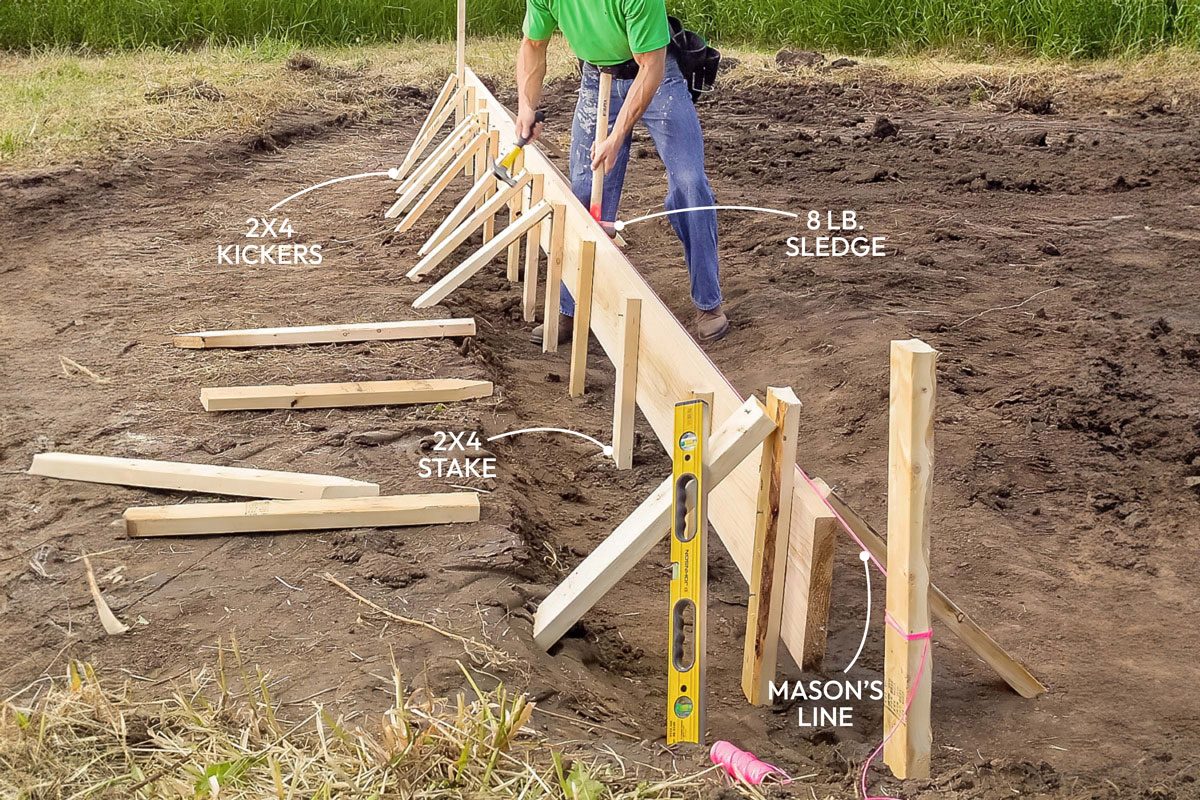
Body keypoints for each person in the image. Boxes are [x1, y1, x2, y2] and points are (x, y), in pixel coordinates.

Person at [516, 0, 729, 344]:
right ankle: (571, 308)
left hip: (657, 77)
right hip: (597, 77)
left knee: (690, 184)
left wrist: (615, 138)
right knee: (585, 192)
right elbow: (533, 44)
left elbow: (651, 65)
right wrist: (526, 106)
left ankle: (708, 303)